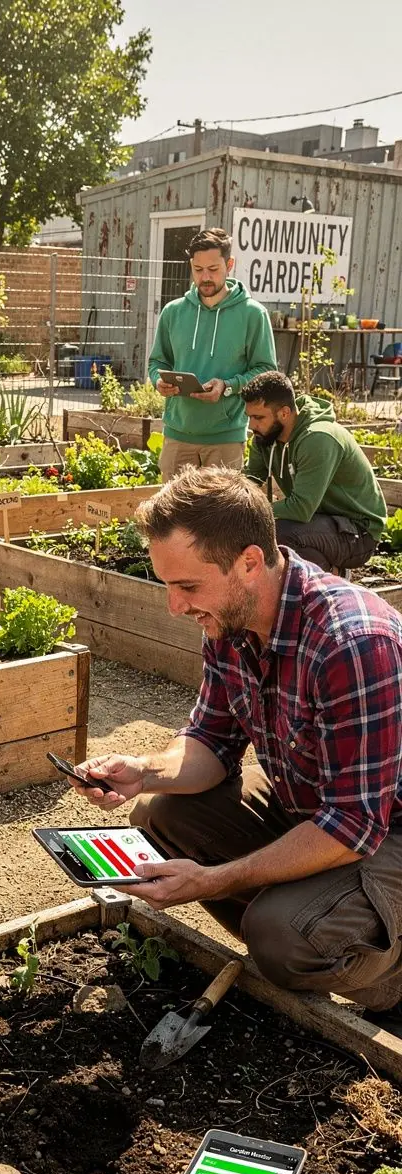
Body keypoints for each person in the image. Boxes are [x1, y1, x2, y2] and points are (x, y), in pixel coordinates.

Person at [65, 466, 402, 1034]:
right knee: (159, 814)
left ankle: (389, 984)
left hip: (387, 827)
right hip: (314, 805)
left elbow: (354, 825)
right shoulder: (231, 620)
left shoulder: (351, 642)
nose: (174, 606)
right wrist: (143, 771)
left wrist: (215, 879)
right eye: (166, 585)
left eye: (188, 586)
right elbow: (212, 742)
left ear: (249, 562)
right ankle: (314, 917)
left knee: (280, 937)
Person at [148, 228, 276, 483]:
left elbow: (266, 371)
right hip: (177, 436)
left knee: (221, 509)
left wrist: (227, 386)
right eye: (198, 269)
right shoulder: (172, 312)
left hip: (225, 439)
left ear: (229, 265)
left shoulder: (253, 314)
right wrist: (158, 381)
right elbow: (157, 361)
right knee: (173, 509)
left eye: (213, 269)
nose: (205, 277)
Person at [242, 371, 386, 572]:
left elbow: (301, 508)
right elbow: (249, 482)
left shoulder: (318, 438)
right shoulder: (265, 437)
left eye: (258, 417)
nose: (251, 425)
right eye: (249, 417)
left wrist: (252, 512)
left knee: (281, 533)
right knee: (249, 529)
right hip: (319, 521)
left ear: (284, 413)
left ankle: (327, 580)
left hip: (358, 531)